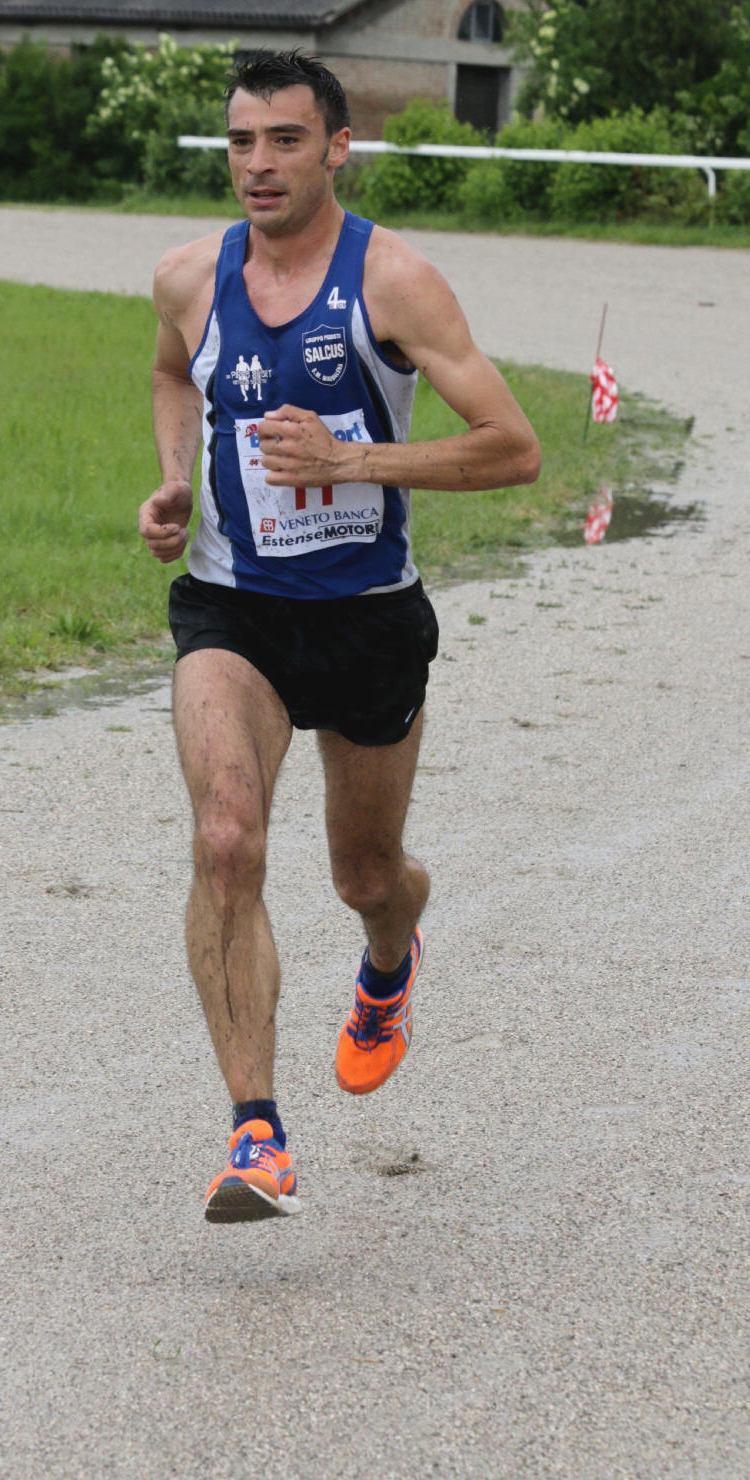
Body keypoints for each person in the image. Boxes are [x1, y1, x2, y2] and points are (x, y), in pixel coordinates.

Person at [138, 50, 540, 1223]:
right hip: (235, 610)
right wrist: (172, 482)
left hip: (365, 619)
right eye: (240, 143)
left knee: (364, 873)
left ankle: (386, 964)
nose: (257, 165)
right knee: (225, 838)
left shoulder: (395, 283)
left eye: (283, 141)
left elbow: (512, 446)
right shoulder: (184, 277)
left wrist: (353, 457)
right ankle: (253, 1131)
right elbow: (171, 375)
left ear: (334, 147)